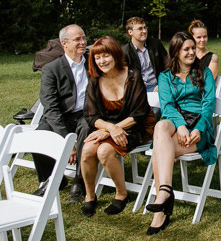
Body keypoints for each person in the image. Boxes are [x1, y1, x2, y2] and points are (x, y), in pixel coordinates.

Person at [145, 32, 216, 235]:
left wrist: (198, 128)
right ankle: (166, 191)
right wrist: (181, 125)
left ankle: (161, 206)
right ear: (175, 52)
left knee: (160, 149)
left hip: (198, 125)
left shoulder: (204, 72)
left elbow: (208, 104)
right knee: (160, 127)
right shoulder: (165, 76)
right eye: (186, 49)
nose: (192, 52)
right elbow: (167, 105)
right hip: (176, 122)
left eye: (193, 48)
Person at [80, 36, 156, 216]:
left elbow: (139, 113)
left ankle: (121, 194)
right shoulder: (94, 80)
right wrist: (110, 128)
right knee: (87, 150)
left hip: (135, 126)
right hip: (108, 127)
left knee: (104, 151)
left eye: (105, 56)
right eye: (97, 58)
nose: (101, 61)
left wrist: (113, 129)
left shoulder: (133, 75)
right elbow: (90, 115)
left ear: (115, 54)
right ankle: (90, 196)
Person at [33, 24, 90, 202]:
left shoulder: (93, 62)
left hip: (85, 114)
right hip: (60, 115)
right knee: (39, 136)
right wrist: (67, 141)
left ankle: (79, 181)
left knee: (86, 129)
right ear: (64, 44)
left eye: (83, 38)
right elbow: (50, 107)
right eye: (77, 40)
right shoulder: (52, 69)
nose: (83, 42)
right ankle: (50, 179)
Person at [122, 16, 169, 92]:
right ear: (130, 32)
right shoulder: (125, 52)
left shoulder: (156, 44)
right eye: (140, 29)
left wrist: (163, 84)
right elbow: (124, 78)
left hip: (158, 86)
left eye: (145, 28)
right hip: (137, 90)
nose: (144, 31)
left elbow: (167, 65)